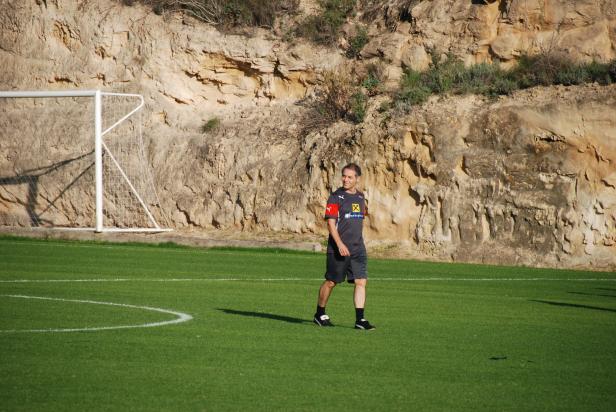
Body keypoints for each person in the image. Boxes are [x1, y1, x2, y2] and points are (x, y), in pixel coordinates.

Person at [313, 163, 375, 330]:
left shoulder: (361, 198)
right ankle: (320, 313)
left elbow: (359, 221)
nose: (346, 179)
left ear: (357, 179)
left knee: (361, 281)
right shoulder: (335, 197)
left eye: (350, 177)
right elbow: (331, 224)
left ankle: (360, 320)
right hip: (338, 248)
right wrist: (340, 244)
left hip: (357, 248)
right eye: (344, 176)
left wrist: (361, 242)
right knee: (331, 282)